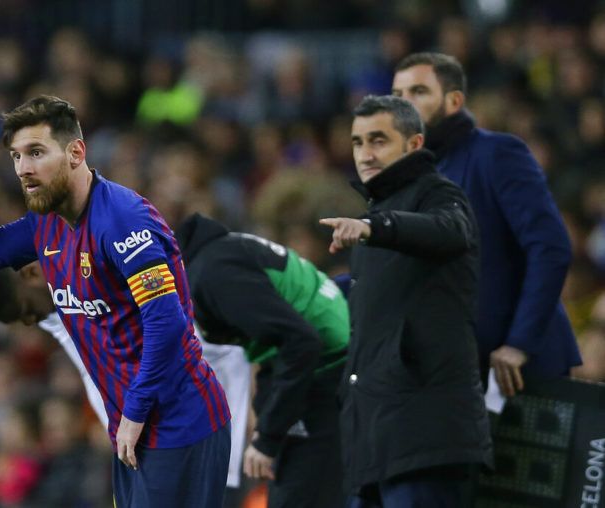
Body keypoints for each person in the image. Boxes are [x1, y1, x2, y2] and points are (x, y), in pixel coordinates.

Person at [0, 95, 230, 508]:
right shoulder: (47, 222)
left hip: (179, 424)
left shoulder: (122, 221)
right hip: (135, 428)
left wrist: (134, 414)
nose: (23, 169)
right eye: (16, 157)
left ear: (76, 152)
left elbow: (167, 324)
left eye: (35, 153)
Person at [320, 95, 492, 507]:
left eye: (378, 140)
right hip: (375, 438)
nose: (365, 153)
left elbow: (450, 230)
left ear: (414, 144)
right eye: (358, 142)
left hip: (423, 433)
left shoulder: (438, 193)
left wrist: (374, 227)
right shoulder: (374, 218)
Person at [0, 261, 252, 492]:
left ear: (30, 273)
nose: (30, 322)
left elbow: (190, 345)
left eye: (25, 311)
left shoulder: (96, 270)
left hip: (224, 404)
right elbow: (94, 374)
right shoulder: (55, 309)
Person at [392, 52, 581, 397]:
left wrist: (520, 343)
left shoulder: (496, 153)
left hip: (519, 368)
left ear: (453, 100)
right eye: (398, 95)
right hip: (456, 373)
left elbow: (549, 247)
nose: (405, 105)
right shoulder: (410, 176)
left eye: (418, 92)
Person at [175, 213, 349, 508]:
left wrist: (267, 437)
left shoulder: (213, 275)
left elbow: (300, 342)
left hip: (327, 376)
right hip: (328, 372)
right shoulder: (223, 252)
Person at [0, 263, 110, 431]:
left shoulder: (90, 249)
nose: (31, 322)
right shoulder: (49, 310)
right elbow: (90, 369)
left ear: (31, 272)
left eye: (28, 309)